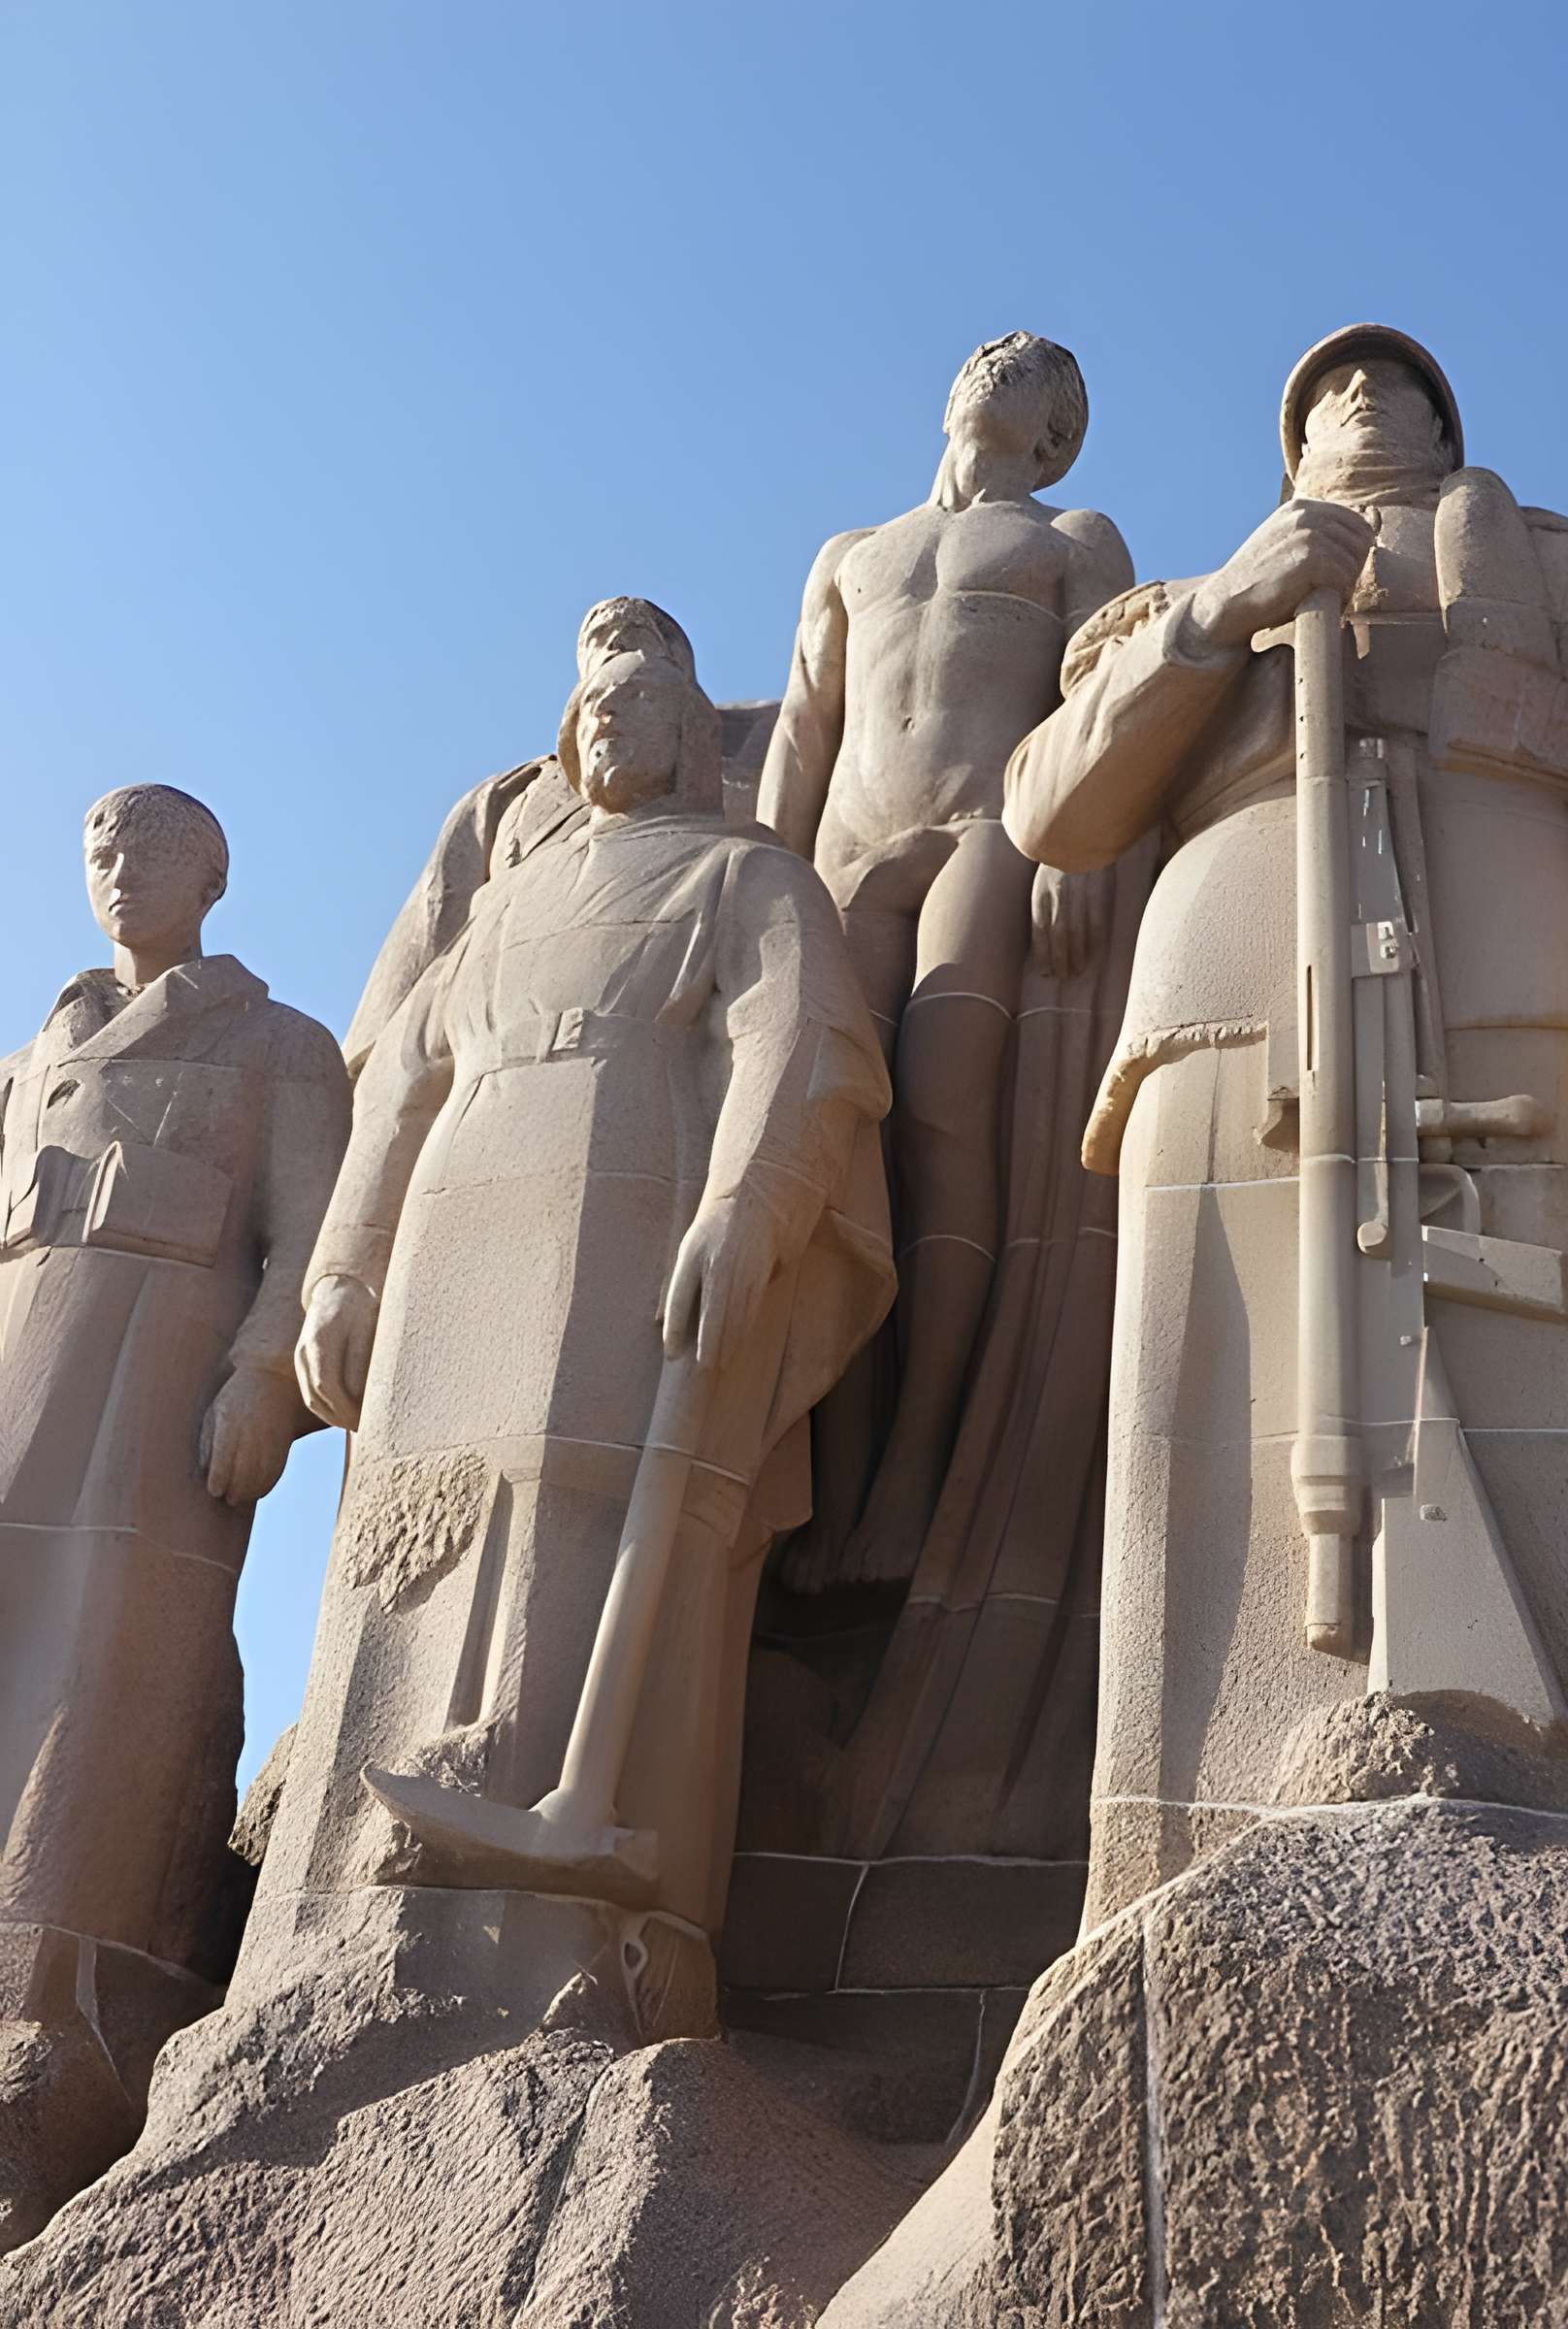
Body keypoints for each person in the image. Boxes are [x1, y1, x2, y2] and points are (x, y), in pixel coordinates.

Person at [1006, 325, 1568, 1928]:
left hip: (1528, 983)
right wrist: (1217, 616)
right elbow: (1050, 807)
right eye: (1327, 388)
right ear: (1288, 449)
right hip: (1240, 993)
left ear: (1442, 416)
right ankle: (1173, 1890)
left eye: (1389, 381)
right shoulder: (1189, 602)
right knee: (1220, 1412)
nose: (1359, 398)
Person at [277, 609, 893, 2030]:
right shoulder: (497, 913)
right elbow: (396, 1102)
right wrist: (341, 1276)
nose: (607, 719)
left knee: (594, 1504)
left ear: (694, 736)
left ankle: (603, 1927)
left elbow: (803, 1050)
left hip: (633, 1207)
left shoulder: (748, 877)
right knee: (410, 1540)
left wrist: (748, 1209)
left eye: (639, 700)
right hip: (461, 1221)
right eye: (590, 705)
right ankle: (338, 1922)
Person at [0, 784, 348, 2241]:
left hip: (151, 1416)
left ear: (212, 873)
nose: (118, 870)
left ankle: (54, 2026)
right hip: (19, 1375)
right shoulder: (34, 1056)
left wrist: (267, 1376)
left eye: (148, 848)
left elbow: (313, 1232)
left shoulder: (277, 1044)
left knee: (109, 1685)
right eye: (97, 849)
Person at [759, 331, 1133, 1581]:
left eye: (1029, 369)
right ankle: (838, 1476)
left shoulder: (1073, 539)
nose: (995, 368)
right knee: (824, 1140)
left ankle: (922, 1469)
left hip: (986, 832)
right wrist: (752, 894)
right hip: (853, 856)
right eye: (987, 358)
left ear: (1055, 430)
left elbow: (1100, 703)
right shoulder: (850, 555)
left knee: (939, 1114)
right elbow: (805, 737)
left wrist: (1083, 849)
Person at [342, 596, 700, 1075]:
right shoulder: (510, 796)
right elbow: (431, 931)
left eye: (640, 636)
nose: (614, 646)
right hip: (497, 1017)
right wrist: (367, 1063)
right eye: (598, 642)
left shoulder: (739, 770)